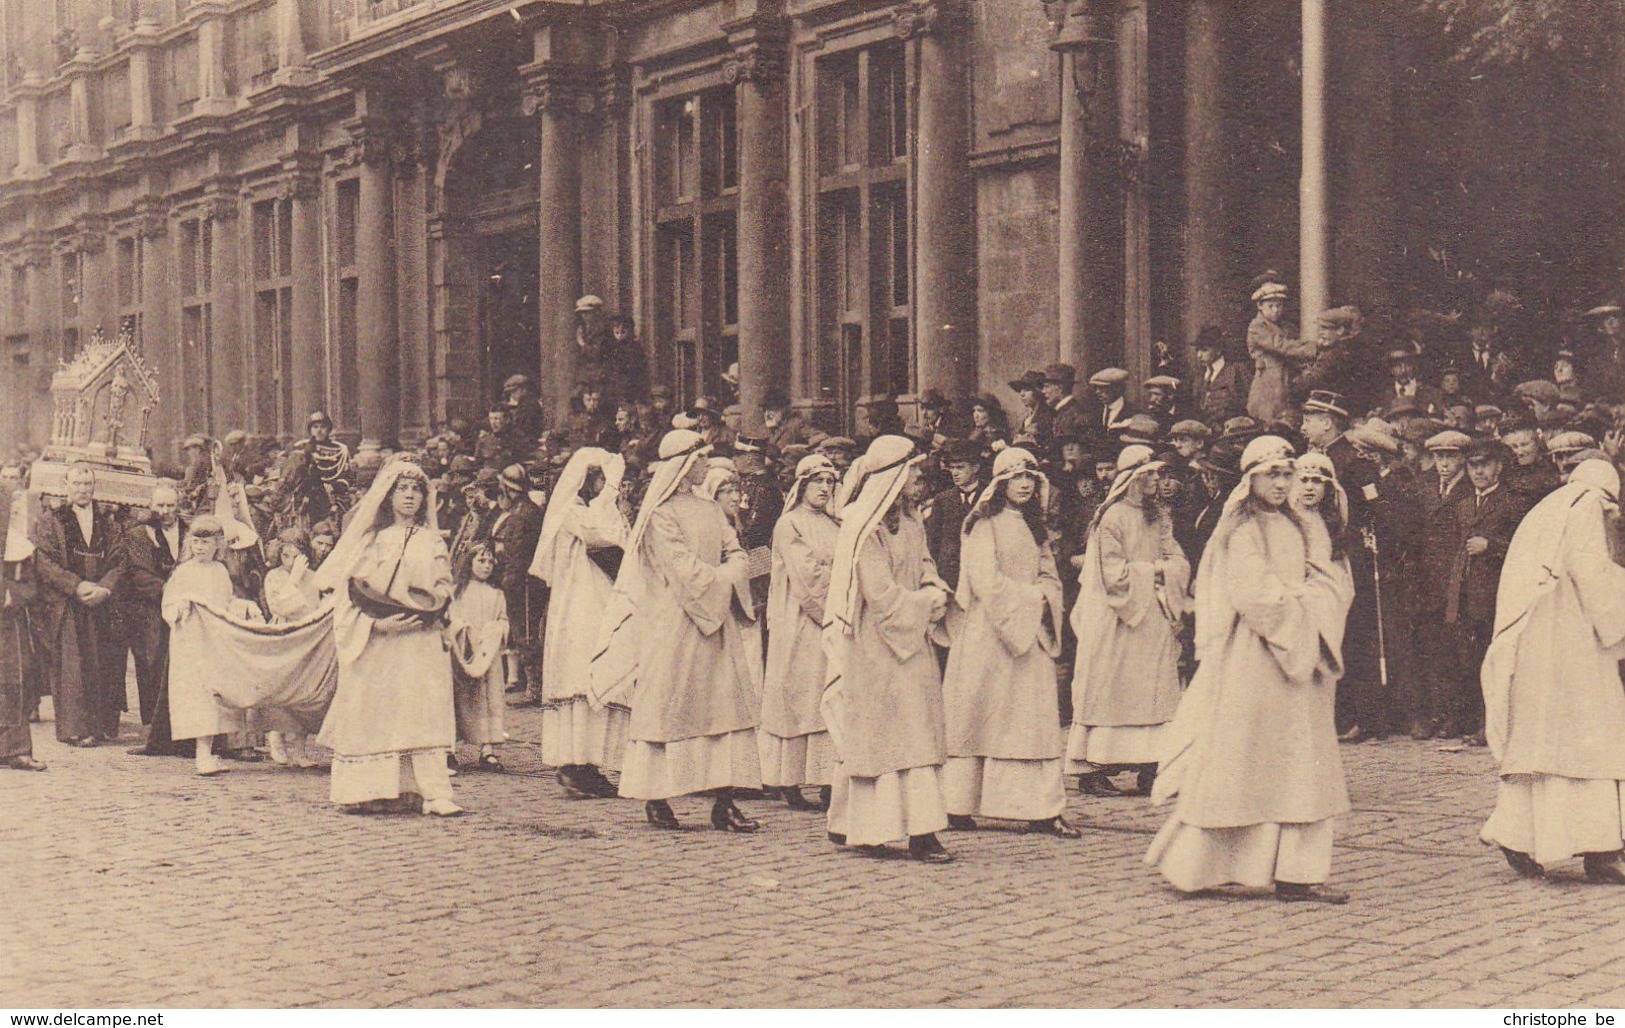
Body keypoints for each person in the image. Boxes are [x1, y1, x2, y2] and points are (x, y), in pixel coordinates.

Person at [1145, 436, 1355, 904]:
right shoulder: (1242, 530)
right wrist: (1299, 618)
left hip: (1302, 659)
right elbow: (1254, 594)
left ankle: (1298, 873)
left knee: (1302, 764)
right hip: (1258, 658)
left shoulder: (1305, 525)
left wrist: (1316, 610)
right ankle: (1201, 866)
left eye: (1288, 474)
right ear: (1251, 479)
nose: (1282, 484)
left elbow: (1329, 579)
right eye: (1272, 475)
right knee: (1243, 760)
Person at [591, 430, 762, 832]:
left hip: (715, 622)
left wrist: (729, 572)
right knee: (668, 708)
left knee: (725, 708)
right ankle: (656, 797)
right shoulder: (660, 515)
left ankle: (725, 801)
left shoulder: (710, 509)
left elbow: (735, 550)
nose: (706, 464)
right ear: (683, 465)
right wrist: (725, 578)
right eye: (700, 458)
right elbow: (681, 570)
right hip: (674, 622)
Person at [1479, 458, 1625, 883]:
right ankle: (1600, 849)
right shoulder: (1586, 508)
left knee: (1540, 741)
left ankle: (1518, 835)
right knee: (1593, 739)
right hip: (1572, 645)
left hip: (1535, 645)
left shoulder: (1548, 508)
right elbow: (1593, 574)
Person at [822, 435, 954, 862]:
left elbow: (925, 565)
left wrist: (935, 588)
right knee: (882, 734)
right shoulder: (864, 523)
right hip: (876, 644)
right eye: (913, 470)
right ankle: (867, 826)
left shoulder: (912, 519)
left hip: (911, 641)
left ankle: (922, 831)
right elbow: (878, 593)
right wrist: (923, 605)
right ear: (892, 475)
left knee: (916, 732)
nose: (919, 477)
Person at [313, 459, 462, 816]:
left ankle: (432, 792)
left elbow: (444, 586)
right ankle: (370, 789)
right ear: (389, 496)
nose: (410, 497)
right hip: (379, 641)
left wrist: (437, 609)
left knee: (422, 709)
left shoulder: (431, 541)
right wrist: (376, 625)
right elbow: (349, 595)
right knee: (378, 710)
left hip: (419, 640)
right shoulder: (371, 541)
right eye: (403, 490)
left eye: (416, 491)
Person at [941, 448, 1076, 837]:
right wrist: (1030, 600)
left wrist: (1045, 596)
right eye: (1016, 478)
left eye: (1031, 478)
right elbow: (984, 581)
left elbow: (1050, 575)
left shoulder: (1035, 530)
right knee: (979, 715)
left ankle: (1041, 807)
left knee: (1031, 719)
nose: (1024, 484)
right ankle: (959, 803)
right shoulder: (985, 525)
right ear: (1000, 484)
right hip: (988, 633)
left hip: (1027, 630)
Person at [1066, 446, 1190, 797]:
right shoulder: (1111, 518)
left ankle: (1153, 765)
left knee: (1153, 687)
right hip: (1116, 617)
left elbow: (1175, 556)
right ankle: (1094, 767)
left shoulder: (1158, 516)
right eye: (1148, 474)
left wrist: (1170, 571)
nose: (1155, 480)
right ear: (1131, 478)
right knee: (1112, 686)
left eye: (1157, 473)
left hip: (1152, 613)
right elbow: (1112, 574)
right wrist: (1153, 571)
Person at [531, 448, 630, 799]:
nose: (608, 487)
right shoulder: (571, 512)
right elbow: (600, 534)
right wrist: (612, 491)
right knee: (580, 674)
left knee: (599, 673)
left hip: (600, 599)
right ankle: (575, 761)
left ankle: (590, 763)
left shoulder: (594, 510)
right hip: (580, 604)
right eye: (601, 480)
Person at [760, 455, 842, 812]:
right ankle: (789, 779)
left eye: (829, 482)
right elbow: (806, 575)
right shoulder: (789, 524)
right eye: (817, 482)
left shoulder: (835, 524)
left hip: (831, 617)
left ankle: (828, 779)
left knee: (826, 694)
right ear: (802, 486)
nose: (824, 489)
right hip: (801, 620)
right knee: (799, 695)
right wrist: (831, 611)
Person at [33, 463, 128, 746]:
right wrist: (76, 586)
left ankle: (100, 728)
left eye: (87, 485)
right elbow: (44, 561)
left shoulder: (108, 523)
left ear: (94, 487)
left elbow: (119, 559)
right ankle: (75, 729)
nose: (82, 490)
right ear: (66, 486)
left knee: (104, 662)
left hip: (102, 602)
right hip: (69, 603)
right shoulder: (51, 522)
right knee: (73, 665)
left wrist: (106, 588)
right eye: (76, 484)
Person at [1443, 437, 1524, 748]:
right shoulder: (1463, 505)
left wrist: (1491, 547)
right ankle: (1473, 720)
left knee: (1494, 661)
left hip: (1494, 593)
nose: (1477, 471)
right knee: (1469, 660)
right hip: (1465, 594)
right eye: (1472, 466)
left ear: (1499, 467)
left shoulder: (1510, 504)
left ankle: (1491, 726)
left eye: (1484, 465)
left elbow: (1523, 547)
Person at [161, 517, 254, 777]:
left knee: (215, 696)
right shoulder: (184, 572)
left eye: (206, 542)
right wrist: (180, 606)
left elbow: (225, 602)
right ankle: (201, 754)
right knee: (197, 697)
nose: (200, 547)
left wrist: (243, 607)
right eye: (196, 541)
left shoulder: (220, 571)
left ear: (217, 545)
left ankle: (209, 751)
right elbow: (168, 606)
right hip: (190, 643)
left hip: (214, 643)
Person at [261, 527, 321, 768]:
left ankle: (299, 748)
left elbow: (313, 608)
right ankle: (276, 739)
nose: (291, 561)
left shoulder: (314, 577)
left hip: (305, 637)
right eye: (286, 555)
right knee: (281, 690)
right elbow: (280, 607)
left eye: (297, 556)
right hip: (282, 637)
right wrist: (294, 579)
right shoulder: (274, 576)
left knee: (303, 694)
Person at [449, 542, 509, 772]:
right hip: (464, 651)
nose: (486, 566)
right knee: (461, 698)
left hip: (488, 652)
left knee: (489, 698)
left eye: (490, 562)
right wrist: (462, 630)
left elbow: (503, 620)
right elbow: (450, 618)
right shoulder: (457, 592)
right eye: (480, 561)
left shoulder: (496, 594)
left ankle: (487, 749)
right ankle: (449, 749)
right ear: (469, 562)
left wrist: (495, 630)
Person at [490, 466, 546, 709]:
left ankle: (535, 687)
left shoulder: (523, 515)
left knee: (526, 632)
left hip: (523, 584)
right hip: (523, 581)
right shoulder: (524, 511)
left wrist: (508, 581)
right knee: (525, 631)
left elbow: (518, 556)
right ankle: (535, 685)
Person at [0, 479, 44, 771]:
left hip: (7, 625)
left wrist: (10, 593)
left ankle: (15, 748)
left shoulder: (18, 546)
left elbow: (30, 587)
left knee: (13, 682)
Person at [1244, 276, 1318, 424]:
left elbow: (1295, 346)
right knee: (1269, 420)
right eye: (1271, 306)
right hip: (1268, 385)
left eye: (1279, 306)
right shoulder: (1257, 327)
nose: (1276, 310)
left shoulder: (1288, 327)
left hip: (1288, 381)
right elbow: (1281, 346)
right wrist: (1312, 350)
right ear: (1260, 306)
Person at [1190, 327, 1245, 424]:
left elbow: (1247, 405)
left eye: (1204, 350)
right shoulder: (1198, 376)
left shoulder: (1236, 372)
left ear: (1219, 350)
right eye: (1197, 350)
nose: (1199, 355)